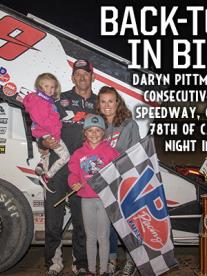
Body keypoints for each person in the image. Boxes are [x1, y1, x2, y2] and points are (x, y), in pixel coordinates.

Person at [42, 59, 98, 275]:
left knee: (82, 221)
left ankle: (80, 262)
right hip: (59, 169)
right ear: (72, 77)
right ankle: (53, 261)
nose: (82, 77)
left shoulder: (99, 103)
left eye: (86, 74)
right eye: (78, 74)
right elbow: (41, 127)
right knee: (53, 219)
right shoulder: (60, 101)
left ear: (92, 77)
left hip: (85, 171)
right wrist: (42, 143)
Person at [96, 86, 141, 276]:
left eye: (111, 101)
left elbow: (137, 152)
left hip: (124, 181)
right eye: (103, 101)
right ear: (99, 104)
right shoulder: (95, 124)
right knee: (109, 226)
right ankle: (111, 260)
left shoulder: (129, 124)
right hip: (103, 183)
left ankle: (132, 261)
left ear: (117, 103)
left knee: (129, 224)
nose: (107, 105)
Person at [68, 114, 120, 276]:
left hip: (104, 199)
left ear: (103, 132)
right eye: (90, 130)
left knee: (103, 236)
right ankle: (90, 270)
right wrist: (74, 183)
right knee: (90, 236)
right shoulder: (78, 153)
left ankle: (104, 271)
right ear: (85, 133)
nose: (94, 134)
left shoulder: (110, 152)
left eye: (98, 130)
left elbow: (118, 170)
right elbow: (73, 173)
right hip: (86, 199)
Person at [23, 73, 70, 193]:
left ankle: (42, 165)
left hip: (45, 132)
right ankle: (47, 176)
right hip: (48, 133)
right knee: (65, 157)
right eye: (46, 86)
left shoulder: (45, 100)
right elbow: (44, 121)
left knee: (48, 152)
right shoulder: (41, 101)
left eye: (52, 87)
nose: (49, 89)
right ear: (39, 87)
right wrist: (56, 133)